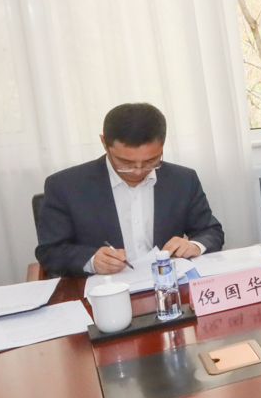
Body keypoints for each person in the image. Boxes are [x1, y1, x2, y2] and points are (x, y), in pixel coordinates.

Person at [35, 103, 224, 277]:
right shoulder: (66, 186)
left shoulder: (182, 180)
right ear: (104, 143)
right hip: (103, 290)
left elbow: (211, 231)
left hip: (167, 284)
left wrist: (194, 245)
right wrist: (92, 261)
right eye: (125, 162)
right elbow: (49, 251)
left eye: (151, 161)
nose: (138, 171)